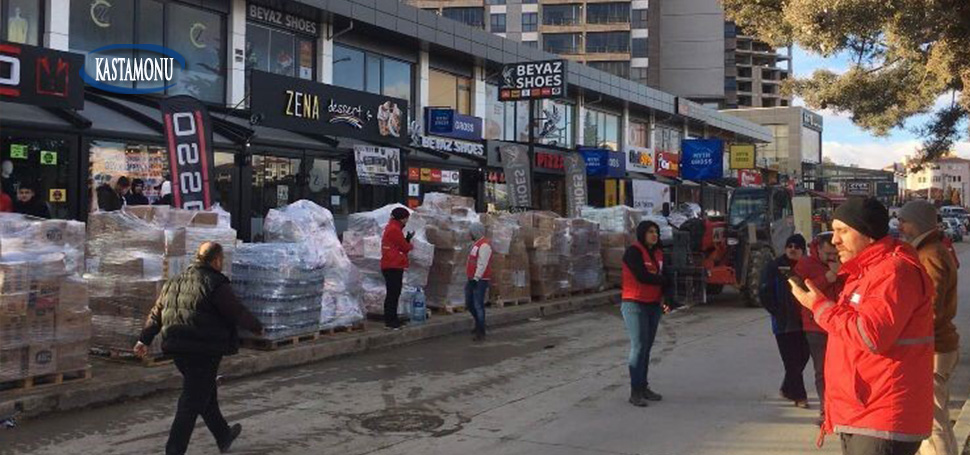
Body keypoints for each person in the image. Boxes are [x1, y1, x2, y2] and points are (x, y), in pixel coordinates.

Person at [791, 197, 934, 455]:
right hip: (864, 413)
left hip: (882, 414)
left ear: (868, 234)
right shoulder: (867, 271)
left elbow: (870, 335)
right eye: (833, 231)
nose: (834, 240)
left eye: (842, 231)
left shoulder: (893, 272)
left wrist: (820, 308)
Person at [135, 242, 264, 455]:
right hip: (203, 351)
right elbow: (236, 311)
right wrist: (257, 327)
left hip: (178, 349)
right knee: (191, 402)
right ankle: (174, 451)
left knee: (205, 395)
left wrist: (144, 340)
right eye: (222, 260)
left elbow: (156, 312)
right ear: (216, 260)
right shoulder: (215, 283)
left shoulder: (175, 280)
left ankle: (223, 435)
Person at [899, 201, 960, 455]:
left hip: (933, 347)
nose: (900, 226)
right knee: (938, 421)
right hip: (939, 344)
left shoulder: (929, 254)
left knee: (931, 423)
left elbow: (929, 307)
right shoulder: (931, 249)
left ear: (917, 223)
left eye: (904, 221)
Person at [621, 220, 670, 407]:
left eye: (656, 231)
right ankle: (635, 391)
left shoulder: (659, 253)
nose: (654, 235)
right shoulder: (633, 252)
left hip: (653, 305)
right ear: (642, 233)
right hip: (634, 304)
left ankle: (644, 386)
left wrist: (668, 298)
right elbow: (642, 276)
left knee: (647, 348)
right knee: (639, 346)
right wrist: (664, 280)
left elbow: (665, 278)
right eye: (650, 231)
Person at [794, 232, 842, 424]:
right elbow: (803, 292)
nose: (832, 257)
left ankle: (840, 410)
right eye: (828, 253)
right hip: (816, 326)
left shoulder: (844, 260)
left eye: (834, 253)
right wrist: (829, 277)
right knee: (822, 371)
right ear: (818, 248)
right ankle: (826, 412)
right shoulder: (806, 265)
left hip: (841, 324)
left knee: (840, 371)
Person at [761, 234, 810, 409]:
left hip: (805, 321)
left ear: (803, 250)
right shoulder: (774, 267)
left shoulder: (807, 266)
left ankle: (787, 388)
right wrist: (776, 311)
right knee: (791, 360)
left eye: (797, 246)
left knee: (803, 357)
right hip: (783, 323)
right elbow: (764, 292)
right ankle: (800, 396)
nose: (792, 249)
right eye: (789, 246)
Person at [381, 207, 413, 330]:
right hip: (393, 265)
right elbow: (404, 247)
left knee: (393, 293)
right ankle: (390, 321)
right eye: (406, 218)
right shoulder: (394, 229)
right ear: (402, 218)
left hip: (391, 264)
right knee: (393, 294)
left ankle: (391, 319)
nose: (407, 221)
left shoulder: (392, 227)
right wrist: (409, 243)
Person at [465, 223, 492, 342]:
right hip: (472, 278)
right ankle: (478, 323)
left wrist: (476, 278)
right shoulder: (476, 244)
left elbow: (482, 264)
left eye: (470, 232)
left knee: (478, 304)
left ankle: (481, 330)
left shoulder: (484, 245)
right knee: (469, 303)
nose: (469, 234)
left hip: (479, 279)